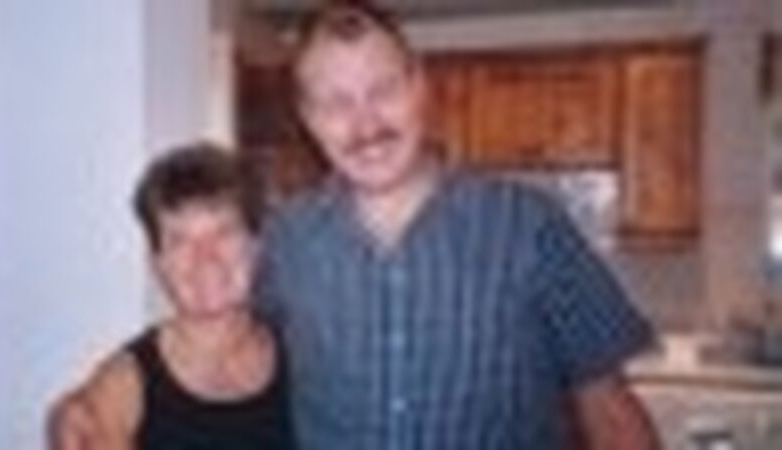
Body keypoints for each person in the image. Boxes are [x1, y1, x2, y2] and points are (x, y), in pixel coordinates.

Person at [254, 1, 661, 449]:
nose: (366, 124)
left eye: (383, 90)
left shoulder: (529, 227)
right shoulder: (284, 241)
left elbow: (608, 407)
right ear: (309, 118)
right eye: (337, 102)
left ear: (420, 86)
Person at [47, 144, 295, 450]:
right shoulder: (125, 387)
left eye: (224, 232)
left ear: (256, 246)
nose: (205, 257)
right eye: (179, 240)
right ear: (157, 262)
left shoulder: (303, 354)